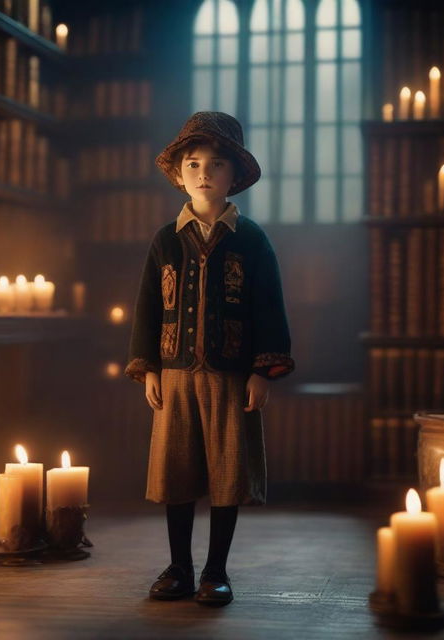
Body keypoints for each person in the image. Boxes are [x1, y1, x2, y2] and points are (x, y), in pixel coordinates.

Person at [125, 111, 294, 607]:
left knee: (227, 473)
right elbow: (147, 307)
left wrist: (263, 371)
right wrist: (148, 365)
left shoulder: (252, 239)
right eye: (193, 163)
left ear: (234, 176)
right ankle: (179, 567)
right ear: (178, 173)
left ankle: (215, 571)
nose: (204, 172)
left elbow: (269, 306)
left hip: (231, 376)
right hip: (174, 374)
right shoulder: (164, 239)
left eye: (216, 164)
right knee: (176, 470)